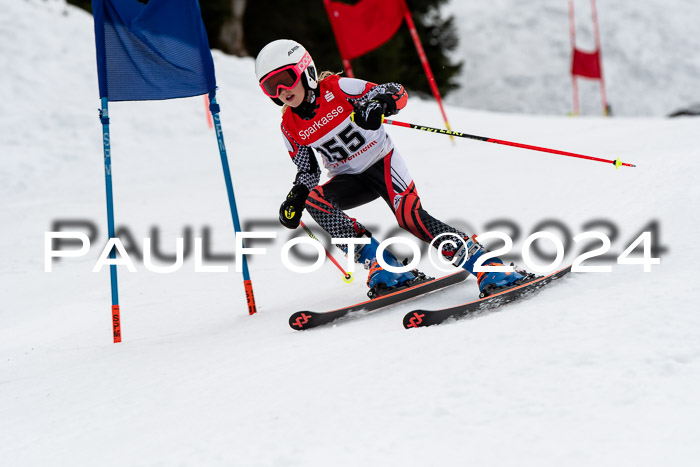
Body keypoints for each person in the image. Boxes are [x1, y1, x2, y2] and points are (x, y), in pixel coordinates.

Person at [255, 39, 527, 298]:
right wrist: (296, 195)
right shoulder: (289, 126)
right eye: (271, 88)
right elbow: (308, 171)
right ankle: (381, 263)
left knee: (411, 218)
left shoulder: (338, 88)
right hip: (349, 179)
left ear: (306, 71)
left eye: (285, 80)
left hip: (383, 163)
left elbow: (396, 91)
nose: (281, 92)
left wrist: (378, 105)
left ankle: (487, 266)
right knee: (317, 202)